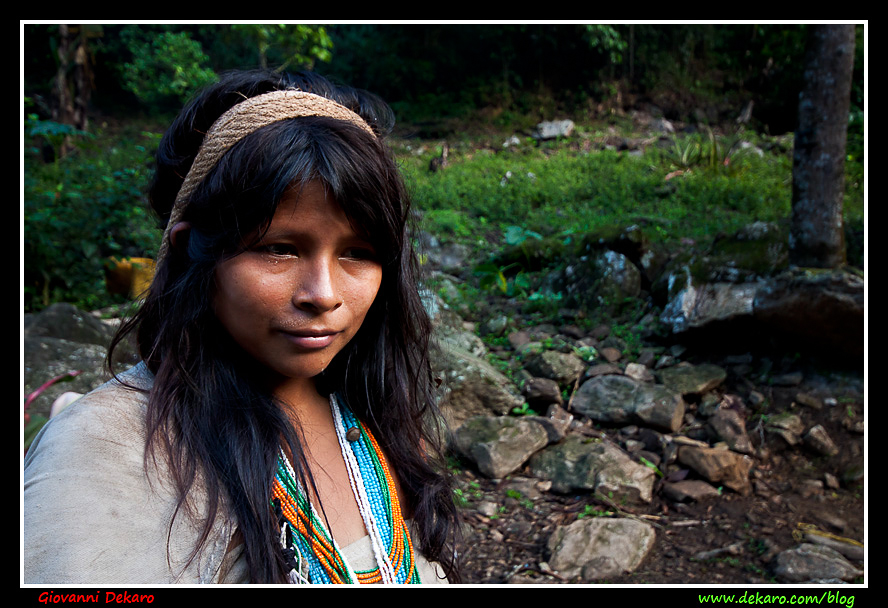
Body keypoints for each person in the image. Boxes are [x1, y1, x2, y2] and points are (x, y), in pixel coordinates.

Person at [23, 69, 461, 584]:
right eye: (279, 248)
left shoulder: (371, 420)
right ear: (194, 252)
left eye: (358, 254)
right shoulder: (107, 445)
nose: (323, 294)